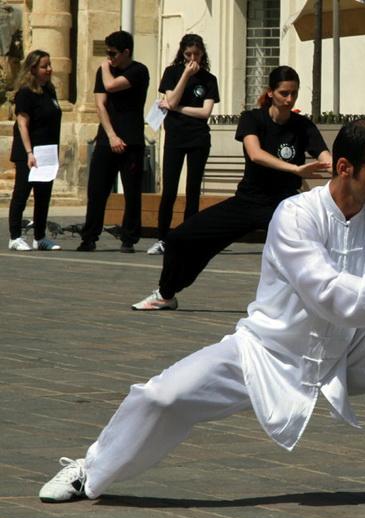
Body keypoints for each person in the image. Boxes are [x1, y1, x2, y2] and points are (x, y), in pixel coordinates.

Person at [38, 119, 365, 518]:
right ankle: (90, 471)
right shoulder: (295, 216)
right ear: (343, 167)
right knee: (162, 396)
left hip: (350, 348)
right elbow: (330, 294)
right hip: (267, 349)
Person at [131, 65, 330, 310]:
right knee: (179, 238)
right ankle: (165, 294)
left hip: (285, 205)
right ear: (270, 93)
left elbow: (325, 157)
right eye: (284, 93)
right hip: (248, 202)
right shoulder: (252, 119)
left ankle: (329, 301)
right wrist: (296, 170)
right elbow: (256, 154)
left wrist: (337, 167)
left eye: (293, 94)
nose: (289, 99)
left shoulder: (303, 126)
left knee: (316, 249)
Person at [146, 34, 219, 256]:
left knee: (193, 189)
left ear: (202, 54)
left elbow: (204, 112)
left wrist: (176, 109)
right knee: (169, 190)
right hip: (175, 137)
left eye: (197, 54)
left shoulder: (209, 79)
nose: (193, 58)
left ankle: (188, 237)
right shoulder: (172, 73)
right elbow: (172, 98)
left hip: (198, 138)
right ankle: (163, 238)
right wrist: (186, 75)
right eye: (188, 54)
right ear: (182, 53)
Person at [77, 30, 149, 253]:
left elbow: (111, 86)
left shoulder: (138, 71)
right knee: (97, 190)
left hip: (132, 140)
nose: (109, 57)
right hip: (108, 138)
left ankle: (129, 238)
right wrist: (111, 136)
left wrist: (105, 69)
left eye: (113, 53)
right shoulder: (106, 70)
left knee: (132, 192)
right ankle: (89, 237)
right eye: (107, 52)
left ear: (126, 52)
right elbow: (100, 104)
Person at [8, 50, 62, 251]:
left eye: (49, 65)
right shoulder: (25, 93)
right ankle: (14, 236)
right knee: (21, 193)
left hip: (47, 151)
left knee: (43, 195)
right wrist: (30, 153)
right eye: (44, 66)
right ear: (33, 69)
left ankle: (40, 237)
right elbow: (22, 124)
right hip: (28, 152)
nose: (49, 69)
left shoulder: (49, 91)